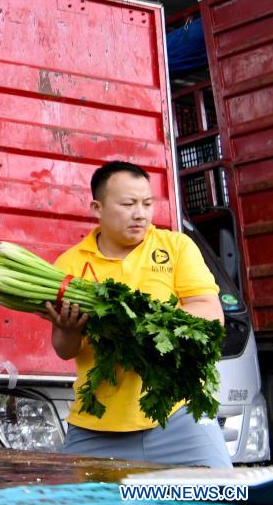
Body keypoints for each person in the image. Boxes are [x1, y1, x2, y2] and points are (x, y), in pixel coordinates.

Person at [44, 160, 230, 468]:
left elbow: (211, 315)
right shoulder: (69, 266)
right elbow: (64, 350)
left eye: (147, 203)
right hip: (96, 424)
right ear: (97, 207)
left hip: (179, 416)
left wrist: (140, 323)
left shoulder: (175, 247)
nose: (140, 213)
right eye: (128, 204)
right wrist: (68, 329)